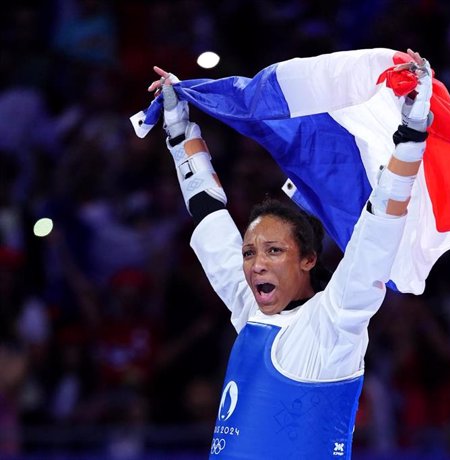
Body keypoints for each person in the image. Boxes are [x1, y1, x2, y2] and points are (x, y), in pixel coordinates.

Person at [147, 49, 433, 459]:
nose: (256, 263)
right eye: (249, 252)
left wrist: (412, 135)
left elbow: (379, 229)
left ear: (308, 259)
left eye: (273, 250)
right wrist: (178, 126)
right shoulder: (250, 309)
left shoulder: (334, 324)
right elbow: (209, 211)